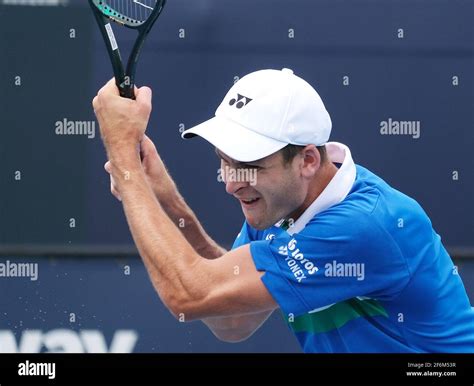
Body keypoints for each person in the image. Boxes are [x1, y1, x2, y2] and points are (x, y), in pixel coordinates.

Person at [92, 68, 474, 353]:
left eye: (249, 166)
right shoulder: (281, 204)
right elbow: (233, 320)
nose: (230, 182)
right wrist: (164, 199)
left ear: (307, 160)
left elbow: (189, 296)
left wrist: (124, 158)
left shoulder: (365, 226)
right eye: (224, 161)